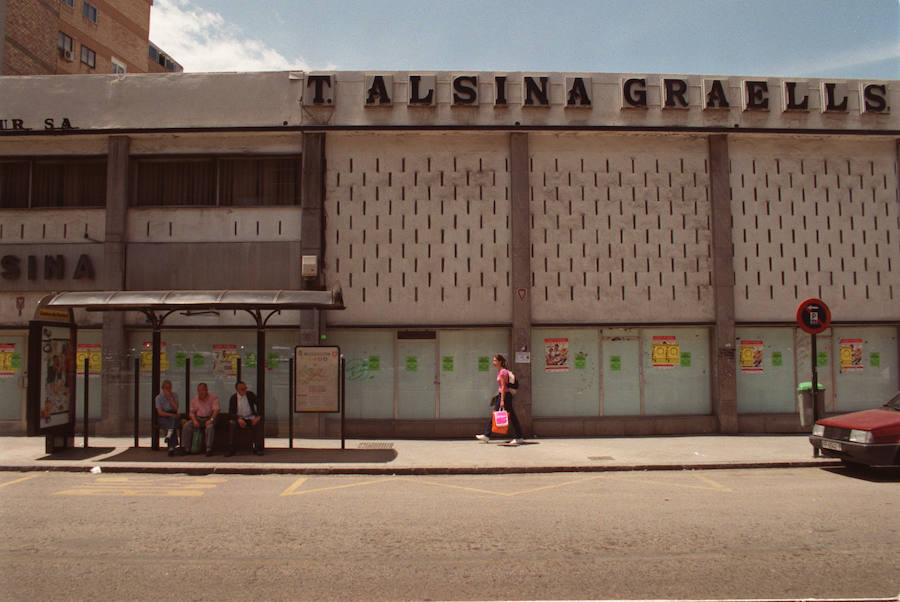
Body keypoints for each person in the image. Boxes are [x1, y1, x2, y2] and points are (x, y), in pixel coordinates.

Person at [476, 354, 524, 445]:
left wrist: (502, 400)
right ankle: (487, 435)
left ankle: (519, 437)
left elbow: (503, 387)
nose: (493, 362)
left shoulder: (502, 372)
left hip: (505, 396)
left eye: (495, 360)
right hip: (503, 395)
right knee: (496, 414)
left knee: (512, 416)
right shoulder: (500, 371)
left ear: (500, 362)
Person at [180, 382, 219, 457]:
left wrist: (211, 419)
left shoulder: (213, 397)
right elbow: (191, 413)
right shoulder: (195, 399)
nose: (201, 392)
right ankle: (185, 448)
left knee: (210, 427)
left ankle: (208, 449)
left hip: (209, 418)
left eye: (203, 390)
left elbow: (216, 410)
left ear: (206, 390)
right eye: (199, 391)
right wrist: (194, 420)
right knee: (186, 426)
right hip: (198, 418)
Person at [226, 380, 263, 457]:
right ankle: (231, 449)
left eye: (245, 388)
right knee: (232, 424)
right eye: (242, 389)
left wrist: (258, 417)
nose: (245, 391)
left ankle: (257, 448)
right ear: (237, 390)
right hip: (239, 419)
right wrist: (238, 419)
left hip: (250, 417)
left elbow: (260, 404)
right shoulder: (233, 398)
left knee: (258, 424)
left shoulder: (250, 395)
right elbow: (231, 413)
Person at [155, 380, 180, 456]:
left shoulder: (174, 395)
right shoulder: (158, 398)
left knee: (172, 422)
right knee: (171, 424)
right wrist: (171, 415)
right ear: (162, 388)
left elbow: (176, 408)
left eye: (169, 388)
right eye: (166, 388)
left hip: (173, 415)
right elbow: (160, 412)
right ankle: (172, 446)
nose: (168, 390)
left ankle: (169, 441)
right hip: (164, 416)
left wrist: (170, 399)